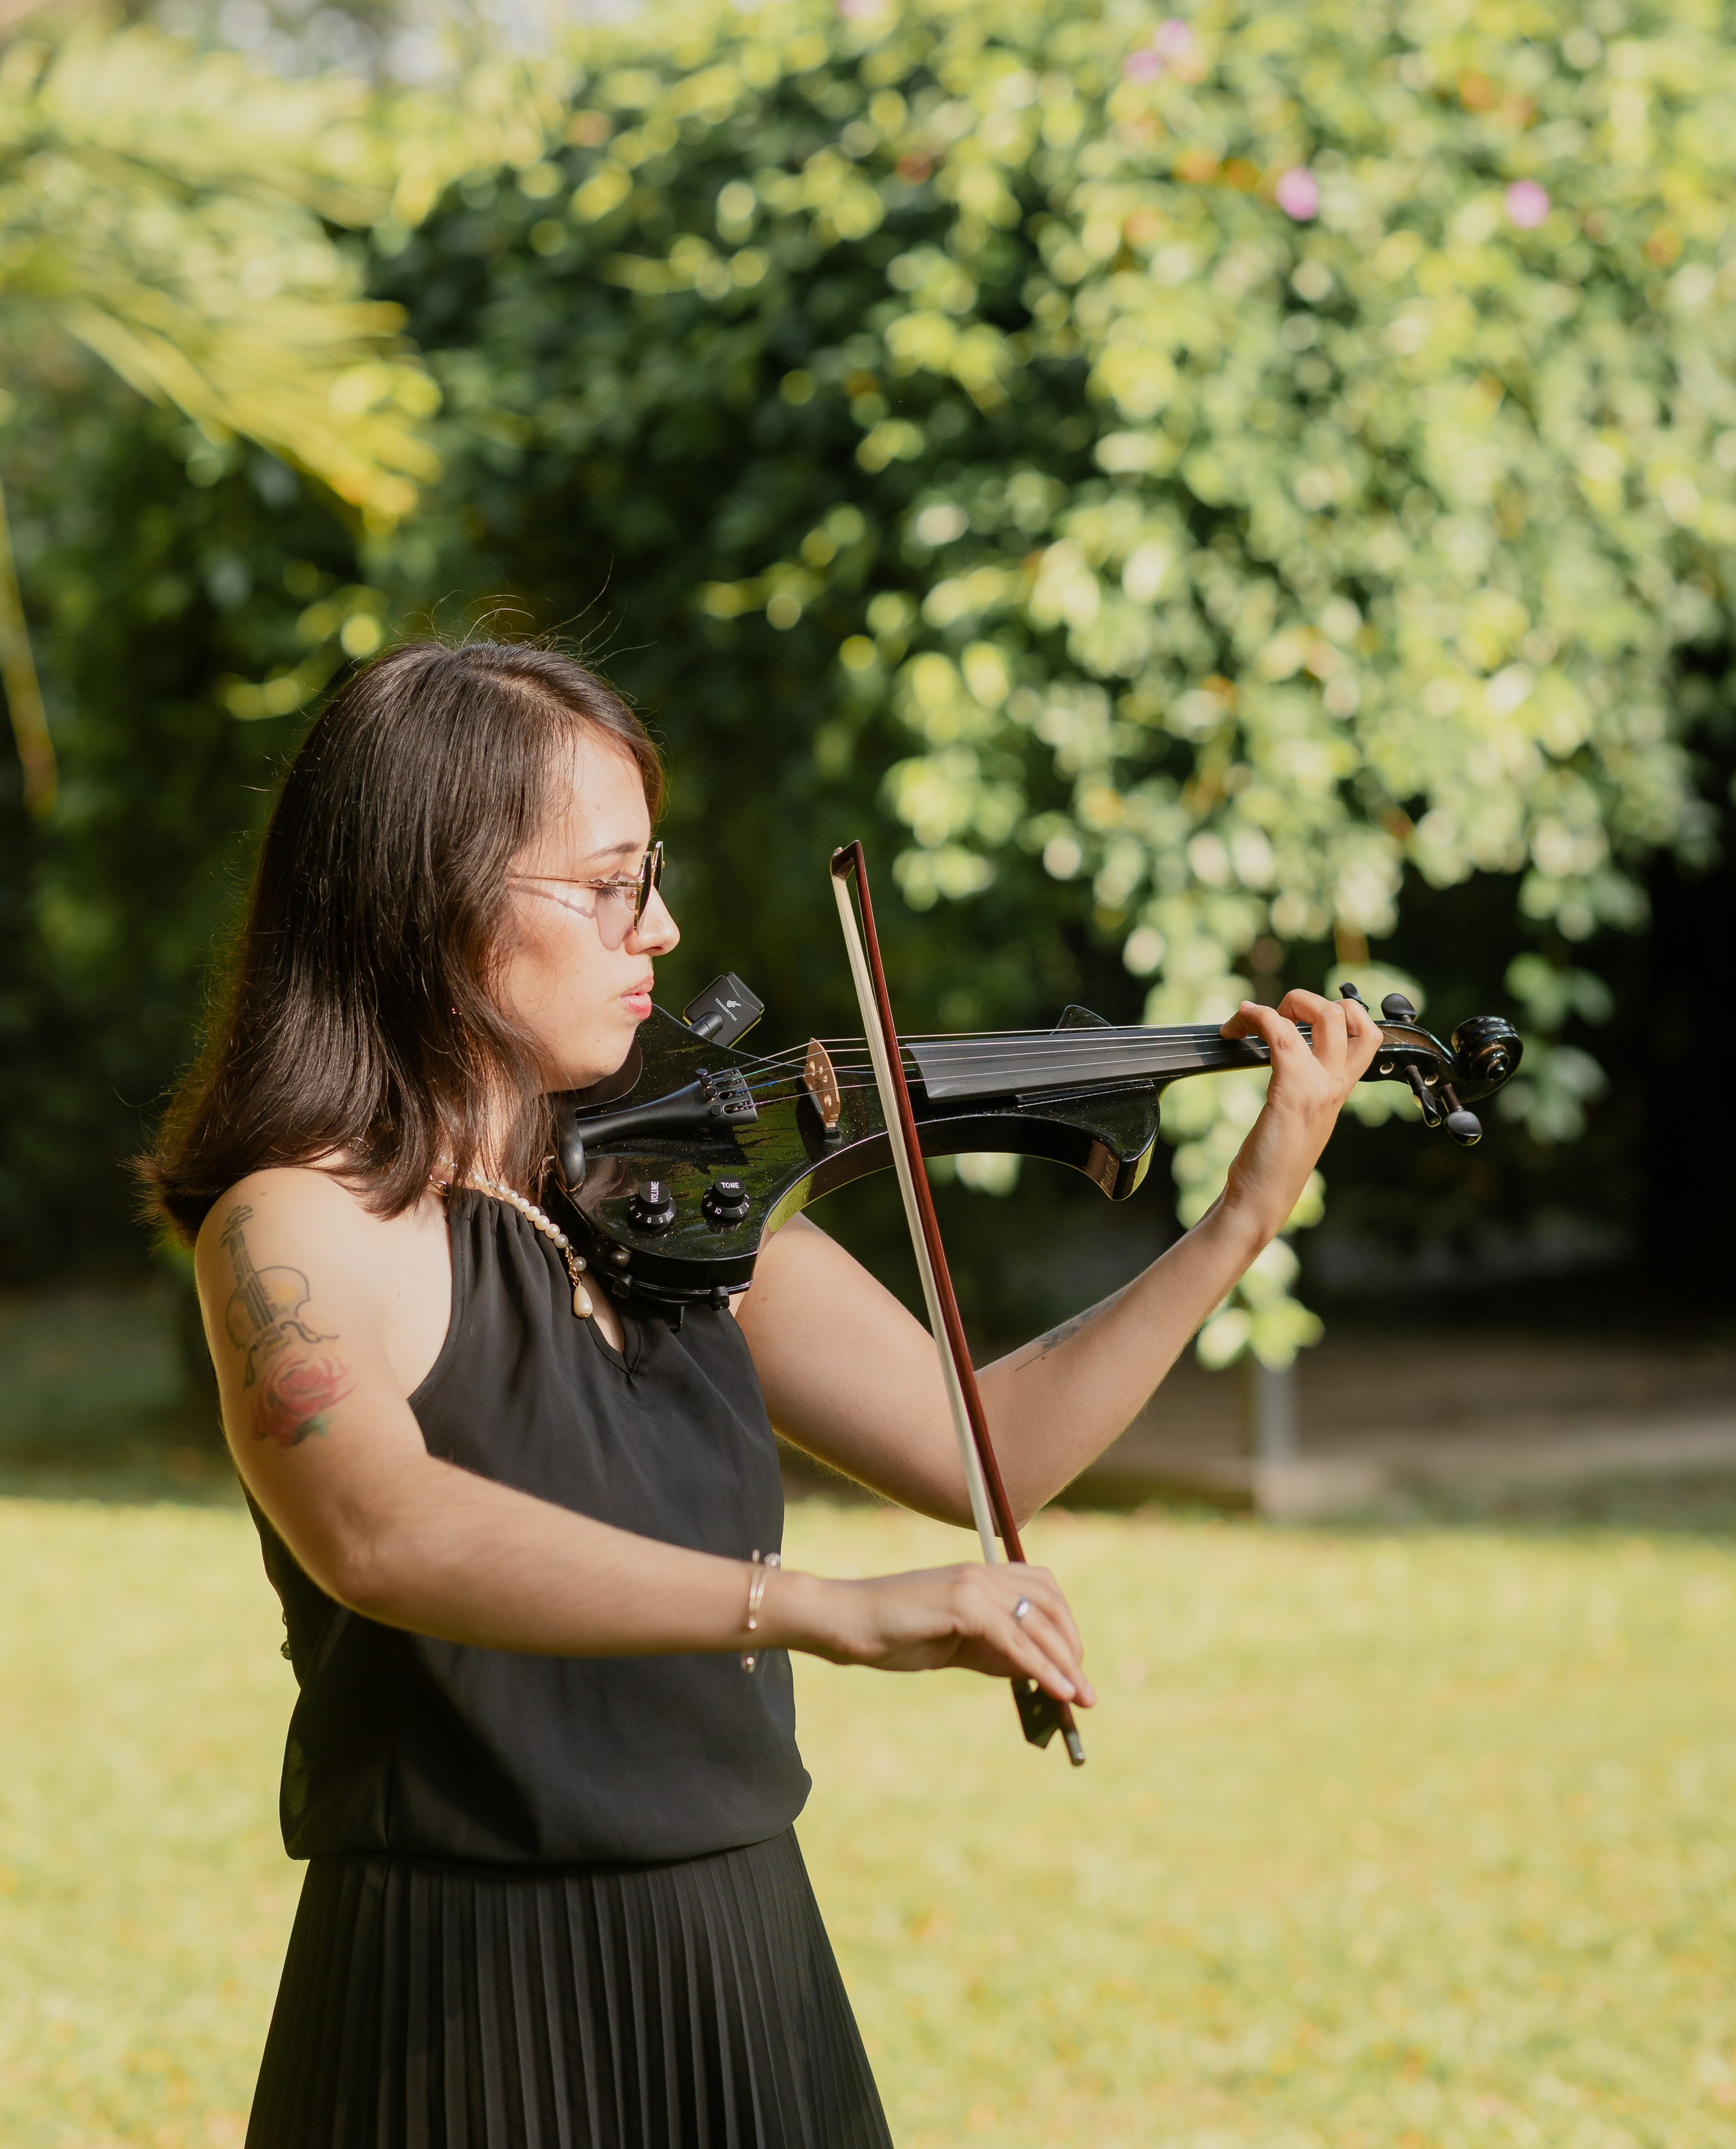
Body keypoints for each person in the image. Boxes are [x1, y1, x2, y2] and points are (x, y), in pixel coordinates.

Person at [147, 636, 1379, 2149]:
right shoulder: (298, 1226)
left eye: (648, 874)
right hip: (457, 1998)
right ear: (432, 899)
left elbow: (988, 1453)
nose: (659, 927)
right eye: (605, 886)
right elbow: (382, 1533)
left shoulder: (672, 1197)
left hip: (741, 1954)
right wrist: (823, 1609)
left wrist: (1241, 1215)